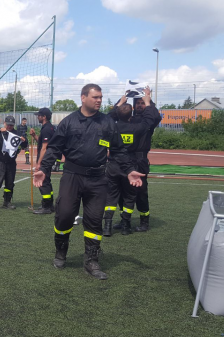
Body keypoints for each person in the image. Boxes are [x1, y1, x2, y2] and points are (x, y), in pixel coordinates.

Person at [33, 84, 144, 280]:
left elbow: (119, 150)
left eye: (101, 97)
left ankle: (91, 261)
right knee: (65, 215)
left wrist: (130, 170)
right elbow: (54, 148)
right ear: (83, 98)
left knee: (94, 220)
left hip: (98, 179)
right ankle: (61, 252)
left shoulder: (108, 123)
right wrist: (44, 168)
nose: (99, 100)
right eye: (95, 97)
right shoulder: (68, 122)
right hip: (72, 177)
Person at [103, 89, 159, 236]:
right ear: (133, 107)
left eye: (142, 103)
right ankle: (124, 221)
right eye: (138, 103)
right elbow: (114, 116)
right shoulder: (132, 120)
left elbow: (155, 117)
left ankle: (144, 221)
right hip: (124, 161)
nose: (140, 105)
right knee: (122, 193)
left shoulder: (148, 120)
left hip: (138, 161)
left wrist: (149, 102)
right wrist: (122, 104)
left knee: (140, 192)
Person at [0, 116, 28, 211]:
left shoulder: (17, 133)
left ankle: (7, 202)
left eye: (11, 125)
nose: (9, 126)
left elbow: (25, 145)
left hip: (11, 162)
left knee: (10, 183)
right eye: (8, 124)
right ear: (4, 123)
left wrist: (24, 141)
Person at [30, 108, 57, 214]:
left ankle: (46, 207)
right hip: (48, 158)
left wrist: (39, 163)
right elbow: (41, 143)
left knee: (43, 182)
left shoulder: (46, 129)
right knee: (47, 181)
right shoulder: (49, 127)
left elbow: (44, 148)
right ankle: (50, 205)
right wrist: (34, 136)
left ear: (44, 116)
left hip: (45, 159)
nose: (38, 117)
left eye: (39, 115)